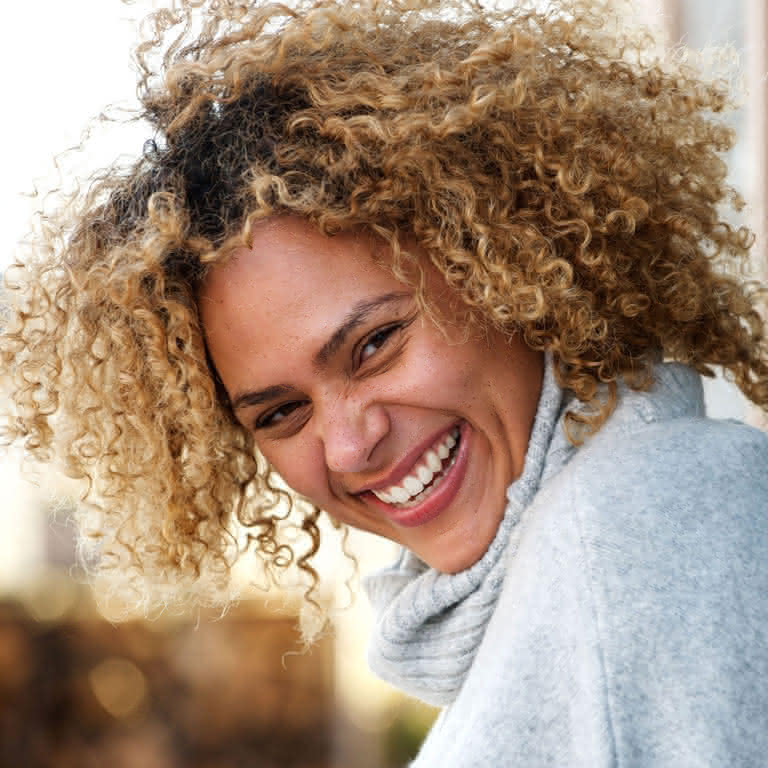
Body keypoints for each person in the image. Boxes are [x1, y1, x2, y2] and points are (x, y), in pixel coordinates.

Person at [2, 0, 767, 764]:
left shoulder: (642, 518)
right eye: (281, 414)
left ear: (500, 260)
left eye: (373, 344)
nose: (348, 444)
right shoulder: (545, 588)